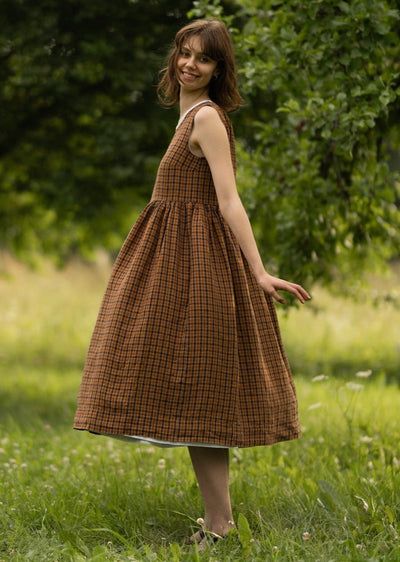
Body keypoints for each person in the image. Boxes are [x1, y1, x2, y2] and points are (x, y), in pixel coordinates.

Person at [74, 18, 311, 550]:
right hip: (177, 260)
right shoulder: (187, 115)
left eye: (203, 58)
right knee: (190, 392)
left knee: (203, 387)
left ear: (218, 68)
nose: (190, 64)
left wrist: (258, 271)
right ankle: (218, 523)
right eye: (184, 53)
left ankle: (222, 527)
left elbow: (229, 200)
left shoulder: (206, 118)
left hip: (197, 263)